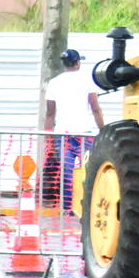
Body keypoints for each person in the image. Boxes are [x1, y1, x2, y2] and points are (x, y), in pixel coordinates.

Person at [44, 47, 105, 214]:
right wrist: (103, 131)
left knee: (66, 172)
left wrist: (47, 138)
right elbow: (96, 109)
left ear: (64, 64)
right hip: (84, 133)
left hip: (61, 135)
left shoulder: (54, 83)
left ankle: (66, 208)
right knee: (88, 170)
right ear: (77, 63)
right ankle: (86, 207)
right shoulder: (88, 81)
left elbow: (50, 113)